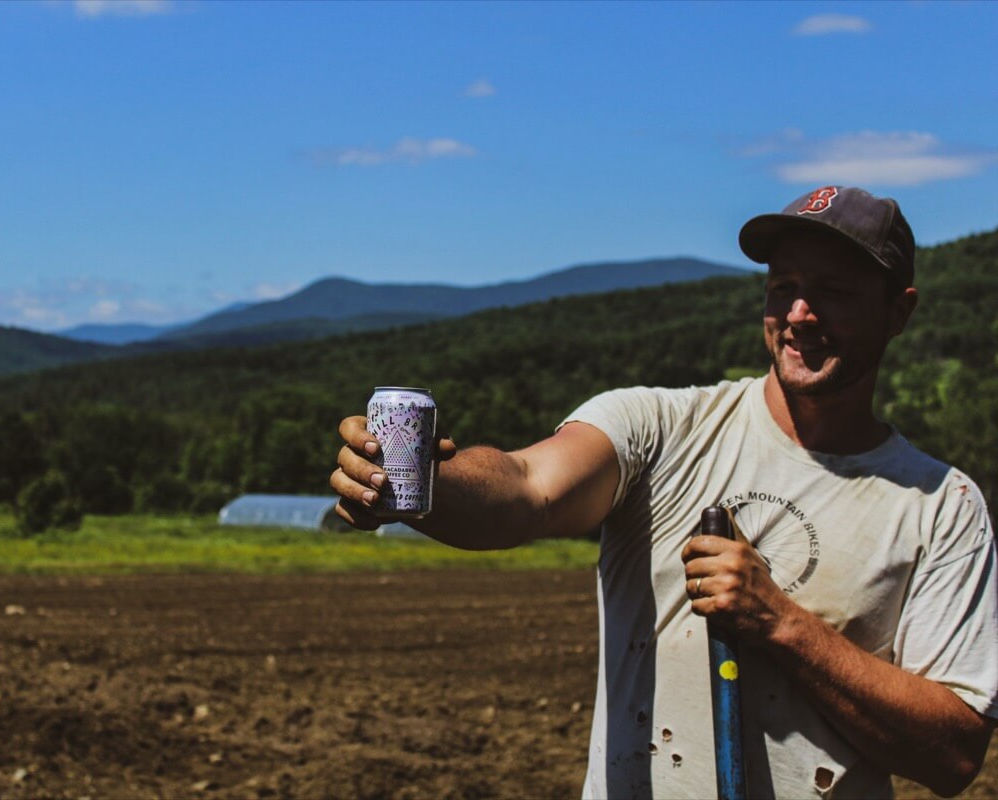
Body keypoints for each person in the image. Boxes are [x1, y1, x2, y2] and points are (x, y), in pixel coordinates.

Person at [329, 186, 998, 799]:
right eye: (783, 286)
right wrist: (425, 487)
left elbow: (954, 753)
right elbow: (527, 486)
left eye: (834, 291)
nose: (798, 313)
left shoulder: (942, 505)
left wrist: (782, 625)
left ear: (899, 311)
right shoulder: (659, 428)